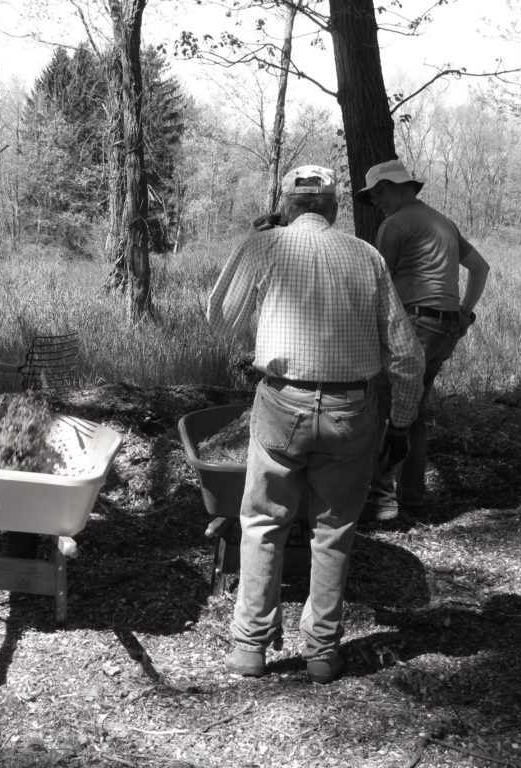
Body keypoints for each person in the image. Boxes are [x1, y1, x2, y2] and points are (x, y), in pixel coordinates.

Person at [207, 165, 425, 683]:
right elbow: (407, 354)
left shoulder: (265, 246)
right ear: (333, 207)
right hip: (353, 410)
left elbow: (219, 318)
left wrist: (253, 262)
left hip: (282, 402)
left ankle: (250, 648)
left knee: (262, 523)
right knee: (334, 530)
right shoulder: (365, 254)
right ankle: (323, 652)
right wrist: (402, 421)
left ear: (286, 204)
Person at [355, 160, 491, 521]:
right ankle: (411, 502)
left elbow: (379, 287)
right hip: (443, 329)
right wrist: (463, 314)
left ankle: (380, 501)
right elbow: (481, 268)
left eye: (381, 191)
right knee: (411, 412)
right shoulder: (442, 222)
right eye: (373, 196)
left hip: (415, 325)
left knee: (384, 408)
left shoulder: (395, 225)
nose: (377, 200)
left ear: (402, 186)